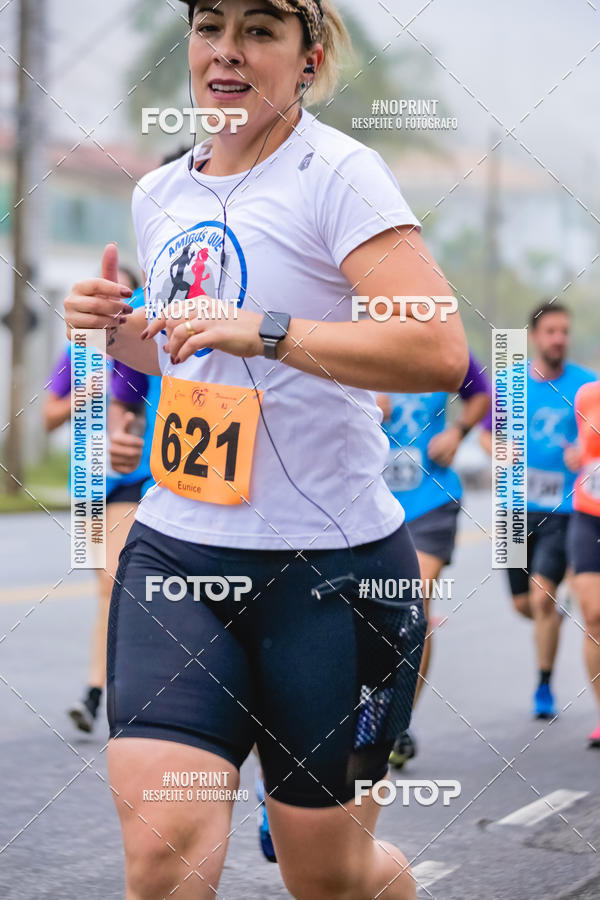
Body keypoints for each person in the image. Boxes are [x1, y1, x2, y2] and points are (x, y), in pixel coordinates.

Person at [64, 1, 468, 897]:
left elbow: (436, 349)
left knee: (330, 878)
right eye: (212, 28)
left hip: (331, 573)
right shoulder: (160, 192)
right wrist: (116, 329)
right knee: (165, 847)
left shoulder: (340, 174)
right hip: (179, 555)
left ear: (308, 57)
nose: (227, 53)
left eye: (260, 31)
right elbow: (187, 351)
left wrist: (269, 330)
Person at [45, 269, 160, 733]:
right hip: (90, 479)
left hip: (138, 477)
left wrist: (125, 431)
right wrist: (81, 395)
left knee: (116, 583)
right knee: (106, 590)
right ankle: (102, 690)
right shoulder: (75, 353)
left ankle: (101, 692)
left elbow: (130, 411)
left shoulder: (143, 348)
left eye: (124, 295)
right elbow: (47, 418)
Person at [479, 302, 596, 719]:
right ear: (534, 336)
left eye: (564, 331)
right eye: (550, 331)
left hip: (565, 509)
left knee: (542, 598)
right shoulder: (509, 383)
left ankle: (544, 685)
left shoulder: (587, 386)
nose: (559, 339)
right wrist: (499, 449)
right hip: (513, 508)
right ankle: (550, 615)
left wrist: (582, 456)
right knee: (523, 605)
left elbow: (595, 445)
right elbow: (485, 437)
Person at [377, 352, 490, 768]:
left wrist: (458, 430)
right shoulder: (352, 329)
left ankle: (399, 719)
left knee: (413, 604)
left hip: (430, 500)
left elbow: (481, 393)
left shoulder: (437, 340)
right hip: (367, 500)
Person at [567, 379, 600, 747]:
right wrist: (576, 455)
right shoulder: (586, 394)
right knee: (593, 616)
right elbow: (577, 444)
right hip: (588, 513)